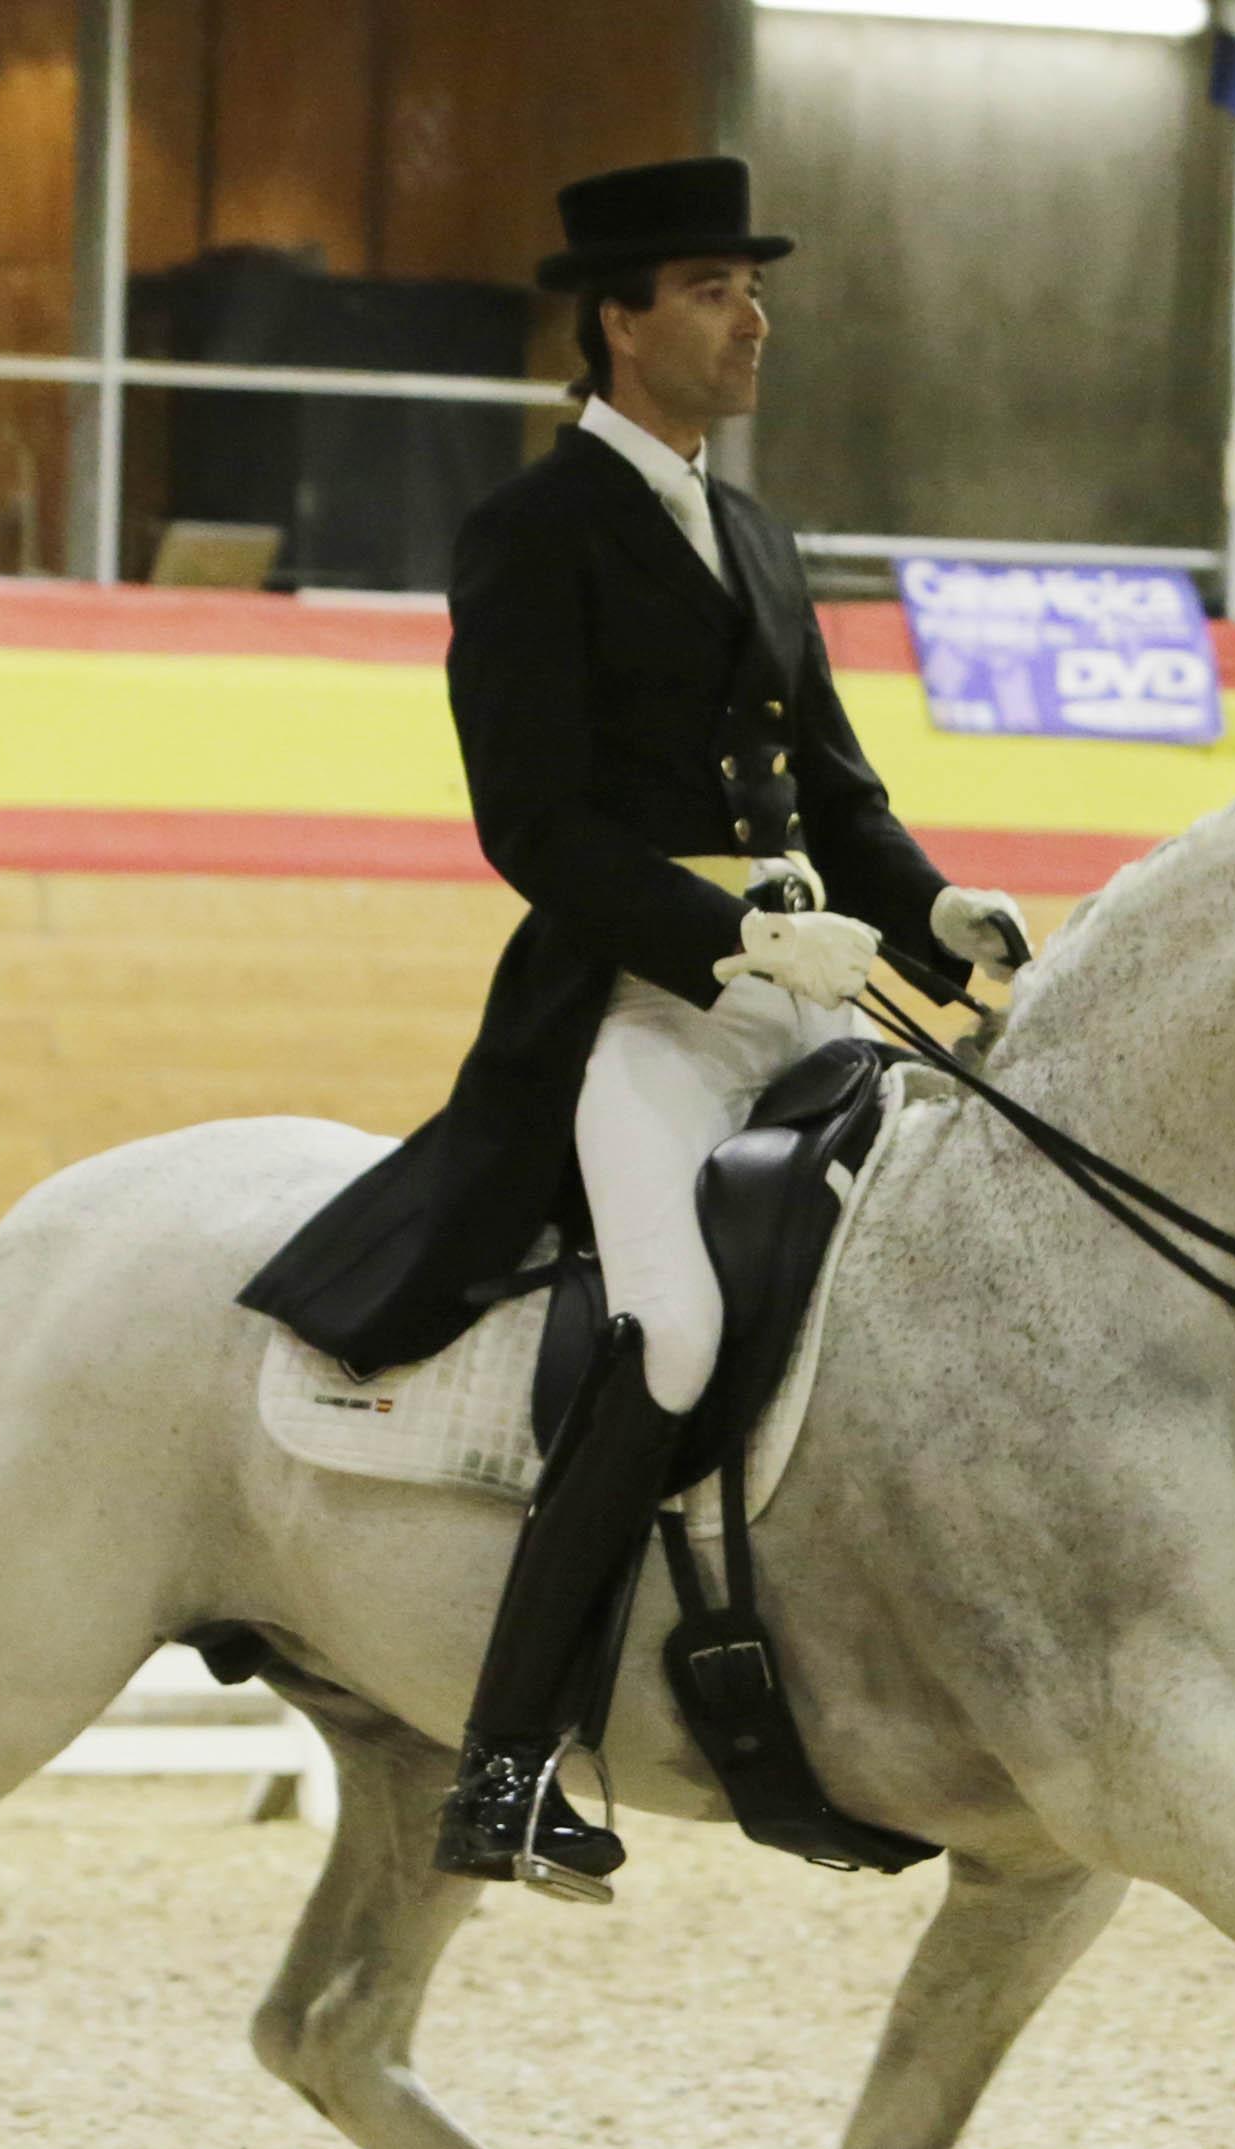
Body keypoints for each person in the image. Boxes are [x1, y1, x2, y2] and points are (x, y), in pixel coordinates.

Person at [234, 155, 1033, 1900]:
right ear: (615, 319)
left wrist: (934, 916)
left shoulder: (750, 530)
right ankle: (507, 1764)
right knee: (668, 1325)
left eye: (755, 290)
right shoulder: (528, 534)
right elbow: (530, 825)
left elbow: (835, 787)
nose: (754, 321)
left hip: (804, 1006)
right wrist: (729, 929)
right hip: (632, 1013)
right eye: (711, 290)